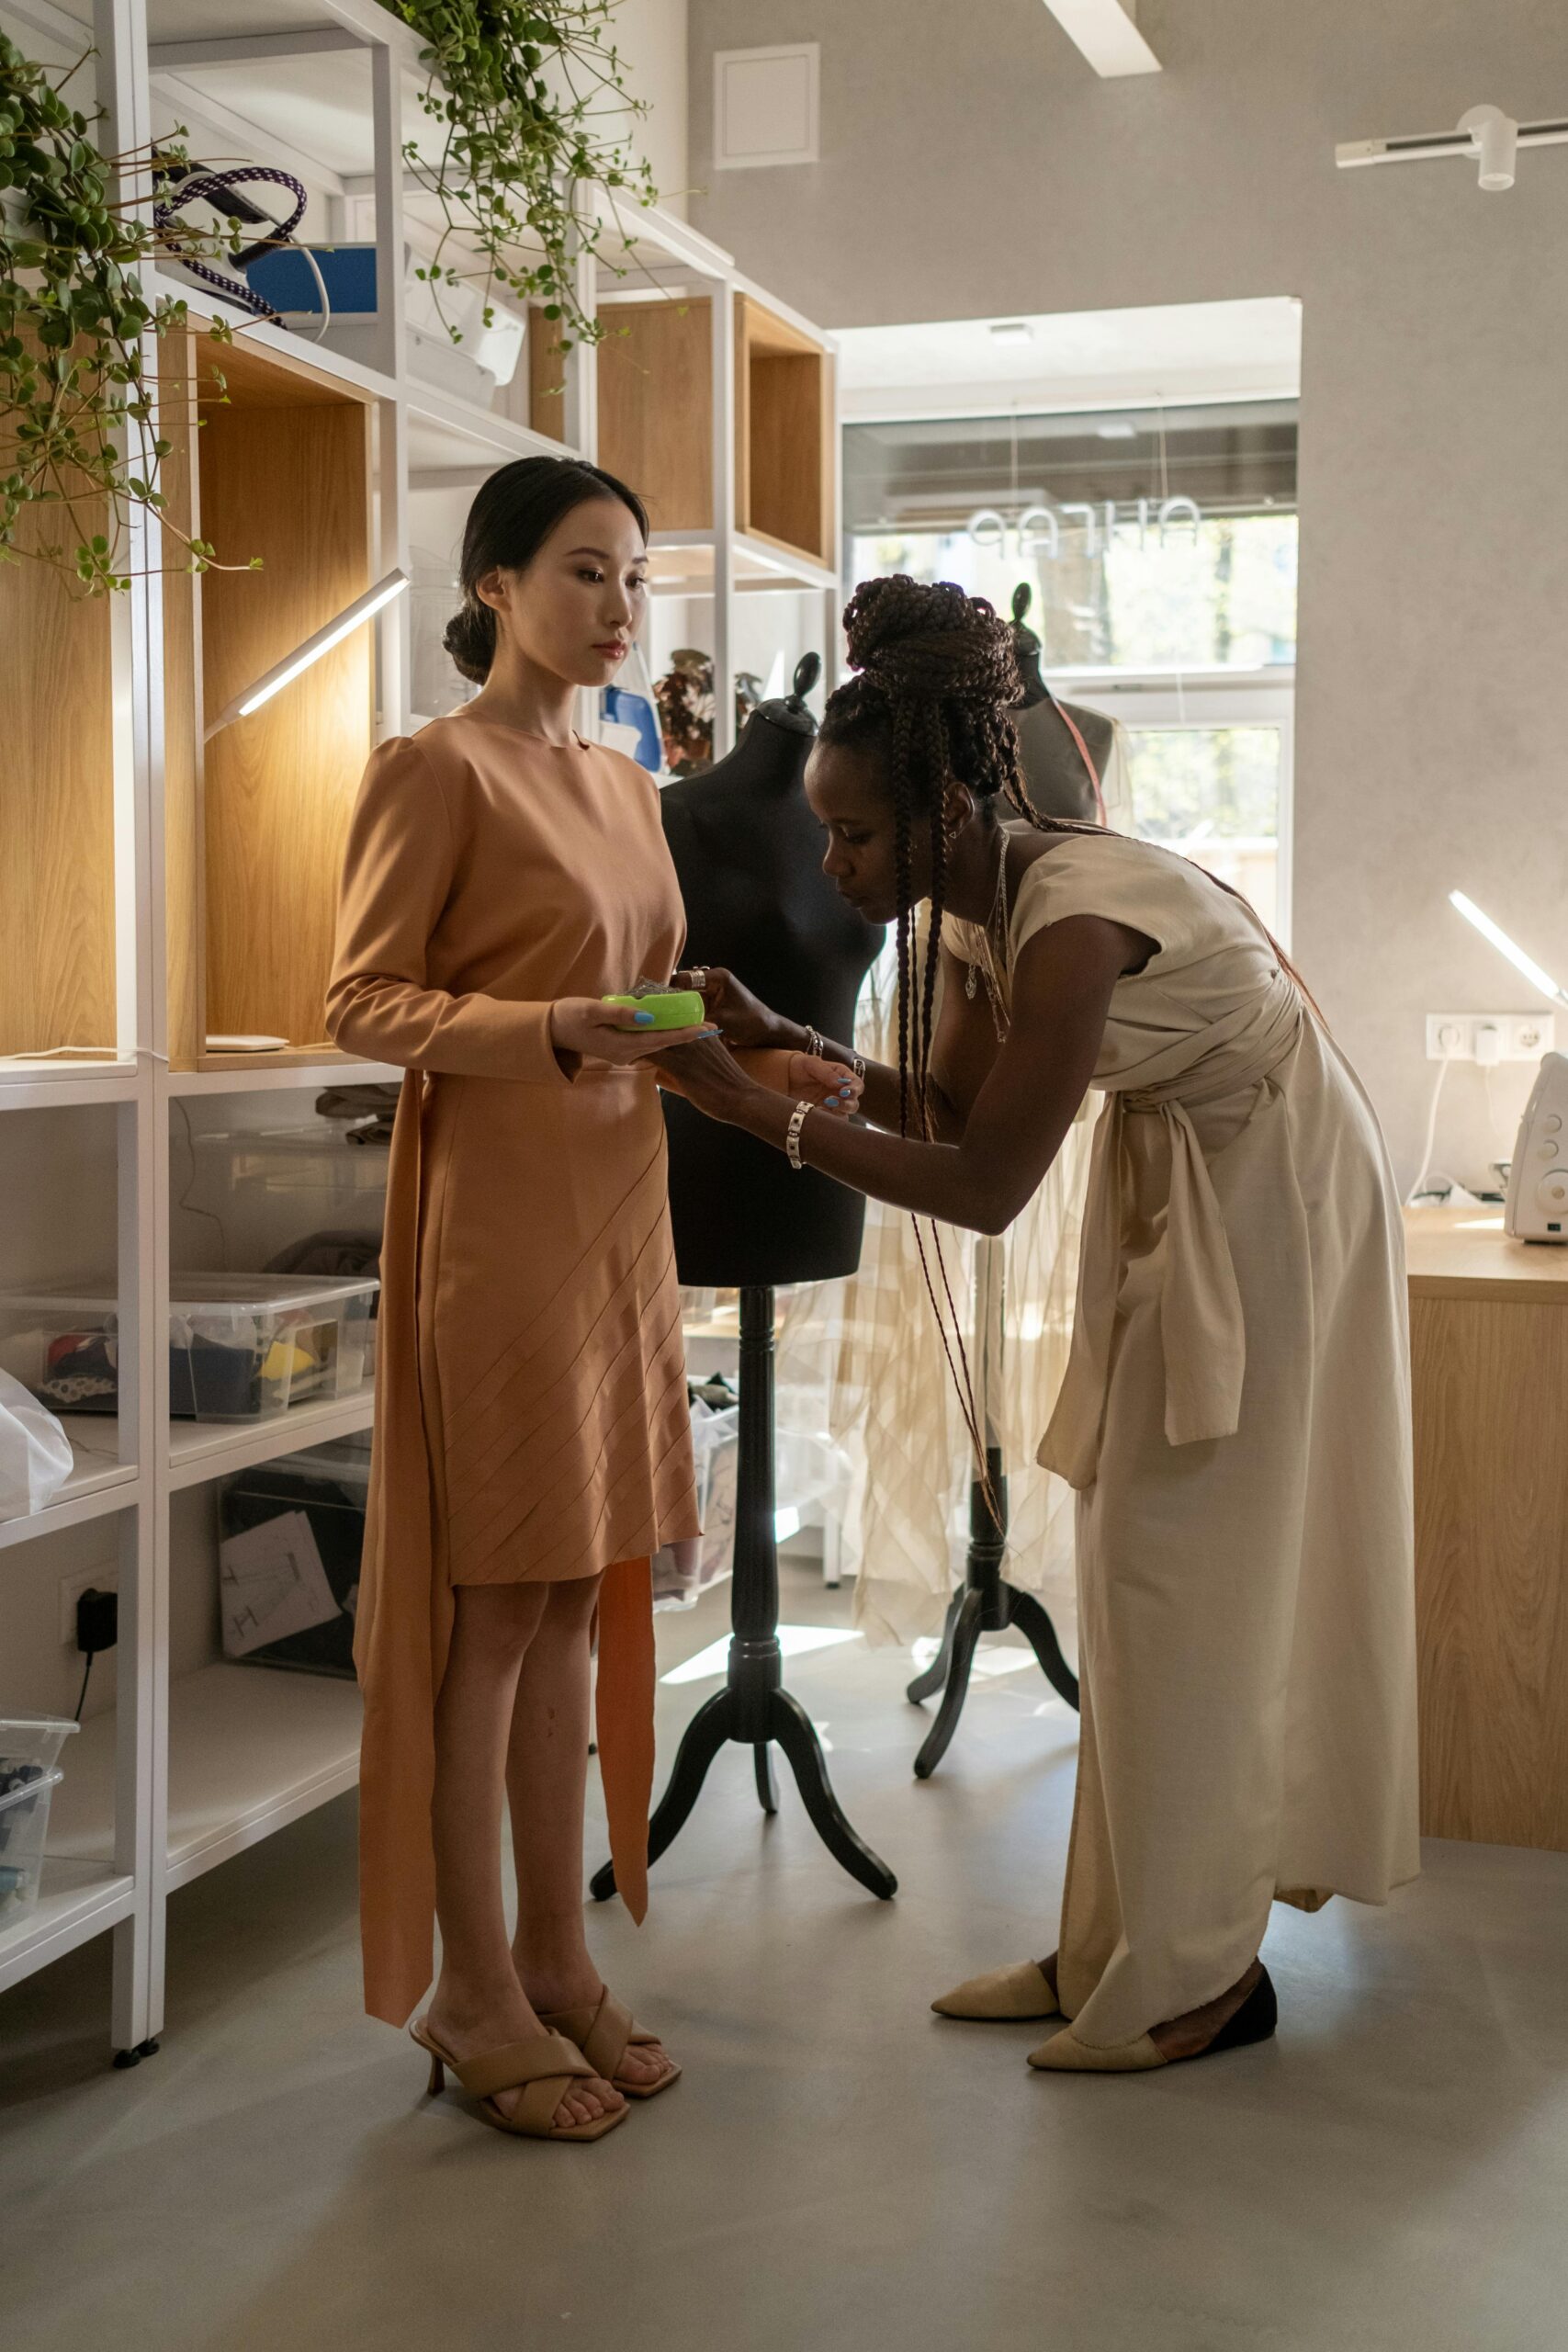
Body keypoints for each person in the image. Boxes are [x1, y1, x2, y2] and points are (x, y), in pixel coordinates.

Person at [659, 575, 1419, 2075]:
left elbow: (992, 1185)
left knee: (1187, 1580)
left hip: (1276, 1204)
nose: (833, 861)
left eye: (857, 833)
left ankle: (1199, 1975)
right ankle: (1112, 1950)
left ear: (948, 806)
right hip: (1188, 1189)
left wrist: (756, 1116)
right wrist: (792, 1047)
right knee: (1140, 1584)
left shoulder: (1074, 915)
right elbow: (948, 1106)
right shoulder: (967, 911)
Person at [325, 458, 856, 2142]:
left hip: (624, 1210)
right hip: (497, 1219)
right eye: (583, 572)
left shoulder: (634, 783)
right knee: (495, 1611)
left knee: (576, 1594)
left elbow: (641, 991)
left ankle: (556, 1959)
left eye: (635, 577)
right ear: (492, 585)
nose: (621, 607)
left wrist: (738, 1031)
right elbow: (361, 1000)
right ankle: (467, 1990)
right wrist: (550, 1030)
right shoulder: (433, 769)